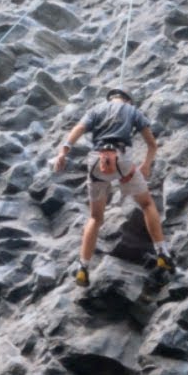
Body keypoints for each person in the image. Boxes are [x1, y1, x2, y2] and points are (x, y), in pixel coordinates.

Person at [53, 88, 175, 286]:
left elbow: (78, 129)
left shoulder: (96, 110)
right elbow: (152, 144)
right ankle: (162, 253)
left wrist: (63, 152)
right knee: (146, 204)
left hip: (97, 162)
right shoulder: (132, 111)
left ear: (111, 99)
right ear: (127, 100)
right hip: (122, 161)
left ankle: (83, 267)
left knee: (95, 217)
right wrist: (145, 165)